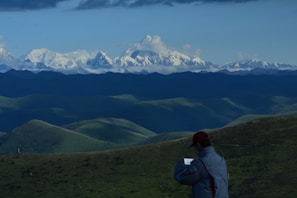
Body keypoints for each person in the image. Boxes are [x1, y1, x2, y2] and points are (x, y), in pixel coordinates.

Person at [174, 131, 229, 198]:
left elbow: (183, 178)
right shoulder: (221, 160)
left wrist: (180, 165)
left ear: (198, 145)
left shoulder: (200, 164)